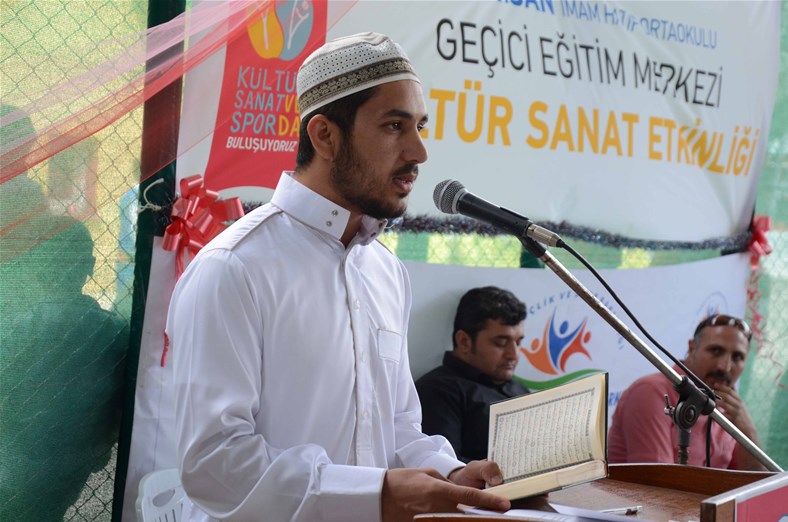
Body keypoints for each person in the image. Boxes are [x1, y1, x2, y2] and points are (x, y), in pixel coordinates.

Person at [166, 33, 511, 522]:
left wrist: (449, 474)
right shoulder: (234, 267)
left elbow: (397, 425)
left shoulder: (385, 271)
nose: (419, 152)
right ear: (325, 135)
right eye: (394, 126)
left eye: (419, 126)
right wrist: (377, 494)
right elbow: (214, 464)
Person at [608, 314, 765, 470]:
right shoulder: (651, 392)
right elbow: (658, 480)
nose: (725, 367)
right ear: (692, 348)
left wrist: (748, 432)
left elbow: (757, 482)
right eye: (716, 351)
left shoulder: (729, 409)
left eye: (737, 357)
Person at [416, 286, 529, 462]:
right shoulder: (437, 391)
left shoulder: (518, 388)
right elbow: (444, 465)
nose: (513, 355)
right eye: (501, 343)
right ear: (464, 341)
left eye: (518, 342)